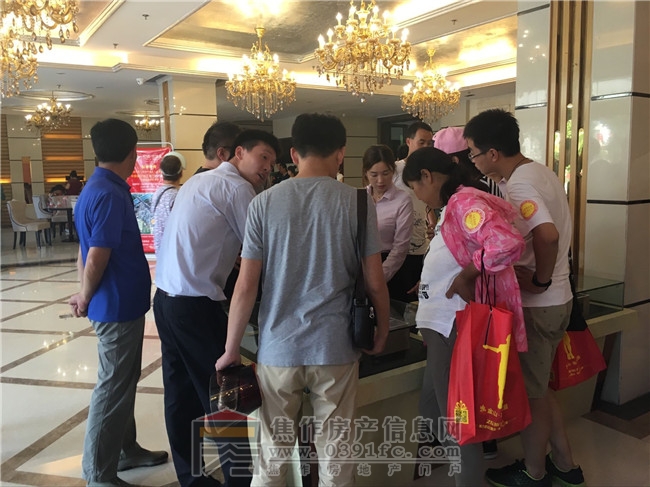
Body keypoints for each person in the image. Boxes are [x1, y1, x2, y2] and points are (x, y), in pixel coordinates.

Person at [215, 113, 390, 486]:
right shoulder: (359, 203)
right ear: (341, 153)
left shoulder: (263, 203)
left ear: (293, 154)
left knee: (272, 454)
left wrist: (231, 349)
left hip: (278, 348)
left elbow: (246, 286)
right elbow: (375, 282)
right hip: (336, 347)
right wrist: (383, 329)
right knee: (336, 453)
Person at [464, 109, 584, 487]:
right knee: (540, 389)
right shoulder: (540, 171)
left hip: (540, 305)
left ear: (493, 153)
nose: (473, 161)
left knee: (533, 396)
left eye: (473, 153)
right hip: (558, 299)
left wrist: (540, 281)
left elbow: (547, 235)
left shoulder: (519, 185)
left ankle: (534, 473)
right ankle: (565, 464)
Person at [154, 129, 280, 487]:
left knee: (180, 395)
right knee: (225, 398)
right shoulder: (238, 189)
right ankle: (239, 481)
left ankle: (191, 478)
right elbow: (261, 252)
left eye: (272, 162)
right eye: (263, 157)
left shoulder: (200, 179)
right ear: (239, 152)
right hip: (194, 307)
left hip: (165, 300)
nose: (267, 168)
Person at [402, 146, 525, 487]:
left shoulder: (463, 201)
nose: (418, 196)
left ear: (427, 176)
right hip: (440, 323)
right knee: (435, 410)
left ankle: (469, 480)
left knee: (456, 419)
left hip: (451, 322)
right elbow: (457, 253)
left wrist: (466, 276)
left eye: (415, 187)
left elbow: (505, 243)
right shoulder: (453, 205)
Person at [68, 119, 168, 487]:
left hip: (113, 303)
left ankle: (126, 450)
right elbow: (97, 253)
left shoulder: (94, 188)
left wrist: (84, 291)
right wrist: (85, 294)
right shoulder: (110, 193)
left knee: (121, 382)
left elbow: (83, 252)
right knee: (112, 387)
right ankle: (98, 473)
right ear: (132, 153)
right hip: (117, 306)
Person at [433, 125, 503, 461]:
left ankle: (477, 444)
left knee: (468, 379)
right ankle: (481, 441)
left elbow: (497, 243)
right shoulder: (473, 190)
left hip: (471, 298)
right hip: (473, 295)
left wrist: (466, 274)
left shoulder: (467, 195)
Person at [362, 144, 413, 301]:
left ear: (393, 171)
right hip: (362, 267)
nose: (380, 180)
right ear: (365, 173)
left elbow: (400, 247)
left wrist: (378, 278)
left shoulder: (402, 200)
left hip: (390, 269)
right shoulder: (359, 197)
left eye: (386, 173)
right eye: (374, 174)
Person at [392, 121, 434, 301]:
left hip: (420, 247)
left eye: (429, 143)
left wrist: (432, 222)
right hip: (395, 247)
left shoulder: (429, 172)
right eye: (421, 142)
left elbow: (427, 203)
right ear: (409, 141)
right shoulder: (394, 169)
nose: (426, 147)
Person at [152, 151, 185, 254]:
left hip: (160, 251)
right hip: (174, 253)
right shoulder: (178, 196)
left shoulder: (157, 193)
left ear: (162, 173)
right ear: (181, 173)